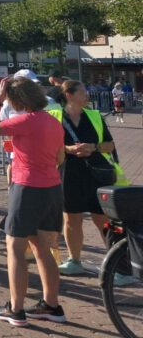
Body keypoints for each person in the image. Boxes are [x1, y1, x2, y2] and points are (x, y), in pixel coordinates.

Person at [0, 76, 66, 325]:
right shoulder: (53, 121)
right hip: (52, 187)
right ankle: (52, 305)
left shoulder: (24, 121)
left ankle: (16, 309)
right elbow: (60, 156)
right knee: (44, 249)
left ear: (18, 100)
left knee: (15, 248)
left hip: (27, 186)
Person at [55, 78, 116, 275]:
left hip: (96, 174)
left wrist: (94, 147)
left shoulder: (95, 115)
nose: (87, 95)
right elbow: (48, 146)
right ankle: (74, 261)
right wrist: (69, 149)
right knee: (72, 219)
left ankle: (120, 264)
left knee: (102, 218)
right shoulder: (54, 117)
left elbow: (110, 145)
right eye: (82, 92)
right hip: (69, 173)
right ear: (69, 95)